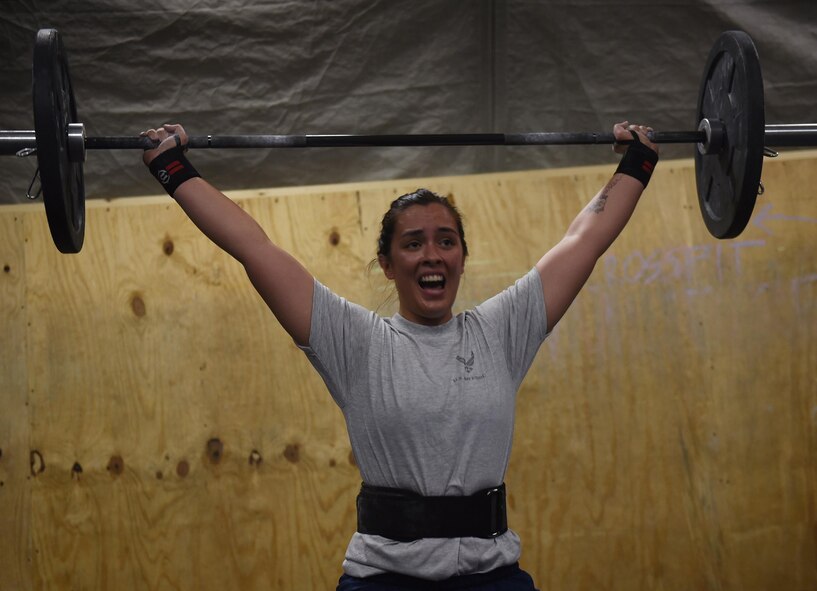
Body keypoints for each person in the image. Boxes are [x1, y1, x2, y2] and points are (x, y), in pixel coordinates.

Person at [140, 122, 658, 590]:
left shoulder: (501, 332)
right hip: (384, 579)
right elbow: (254, 248)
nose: (432, 255)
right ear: (387, 265)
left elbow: (584, 240)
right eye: (413, 244)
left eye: (446, 241)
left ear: (462, 257)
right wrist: (172, 167)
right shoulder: (355, 342)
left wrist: (637, 162)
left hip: (491, 576)